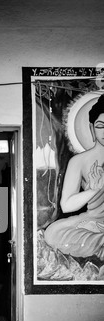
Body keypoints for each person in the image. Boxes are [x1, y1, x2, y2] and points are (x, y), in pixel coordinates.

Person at [44, 94, 104, 261]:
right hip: (93, 223)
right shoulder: (79, 161)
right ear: (92, 128)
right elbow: (67, 205)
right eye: (101, 125)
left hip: (94, 230)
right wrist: (93, 190)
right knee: (53, 232)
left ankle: (98, 246)